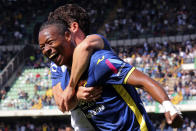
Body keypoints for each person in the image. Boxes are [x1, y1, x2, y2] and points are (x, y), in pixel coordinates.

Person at [38, 19, 183, 130]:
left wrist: (168, 105)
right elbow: (64, 104)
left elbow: (143, 81)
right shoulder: (65, 79)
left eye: (50, 42)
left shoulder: (99, 61)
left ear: (68, 35)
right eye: (42, 47)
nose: (46, 50)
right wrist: (76, 95)